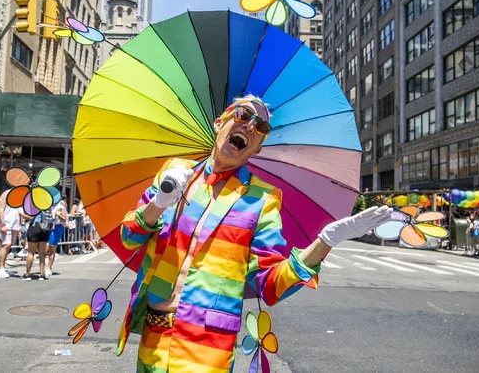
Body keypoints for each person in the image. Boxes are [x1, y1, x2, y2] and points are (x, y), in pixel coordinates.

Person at [115, 96, 392, 371]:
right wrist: (159, 202)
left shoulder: (262, 199)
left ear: (257, 148)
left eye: (261, 127)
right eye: (244, 115)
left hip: (206, 350)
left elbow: (269, 285)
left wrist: (324, 242)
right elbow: (129, 237)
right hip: (153, 341)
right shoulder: (175, 173)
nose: (250, 126)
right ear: (219, 122)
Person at [23, 208, 53, 280]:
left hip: (35, 226)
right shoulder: (47, 203)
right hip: (45, 227)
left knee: (31, 252)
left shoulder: (34, 203)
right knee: (42, 253)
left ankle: (28, 274)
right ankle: (41, 274)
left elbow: (30, 216)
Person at [44, 196, 67, 278]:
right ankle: (44, 267)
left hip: (57, 227)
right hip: (46, 227)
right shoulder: (47, 205)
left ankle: (49, 268)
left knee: (52, 248)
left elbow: (64, 219)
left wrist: (59, 214)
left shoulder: (61, 206)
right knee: (43, 249)